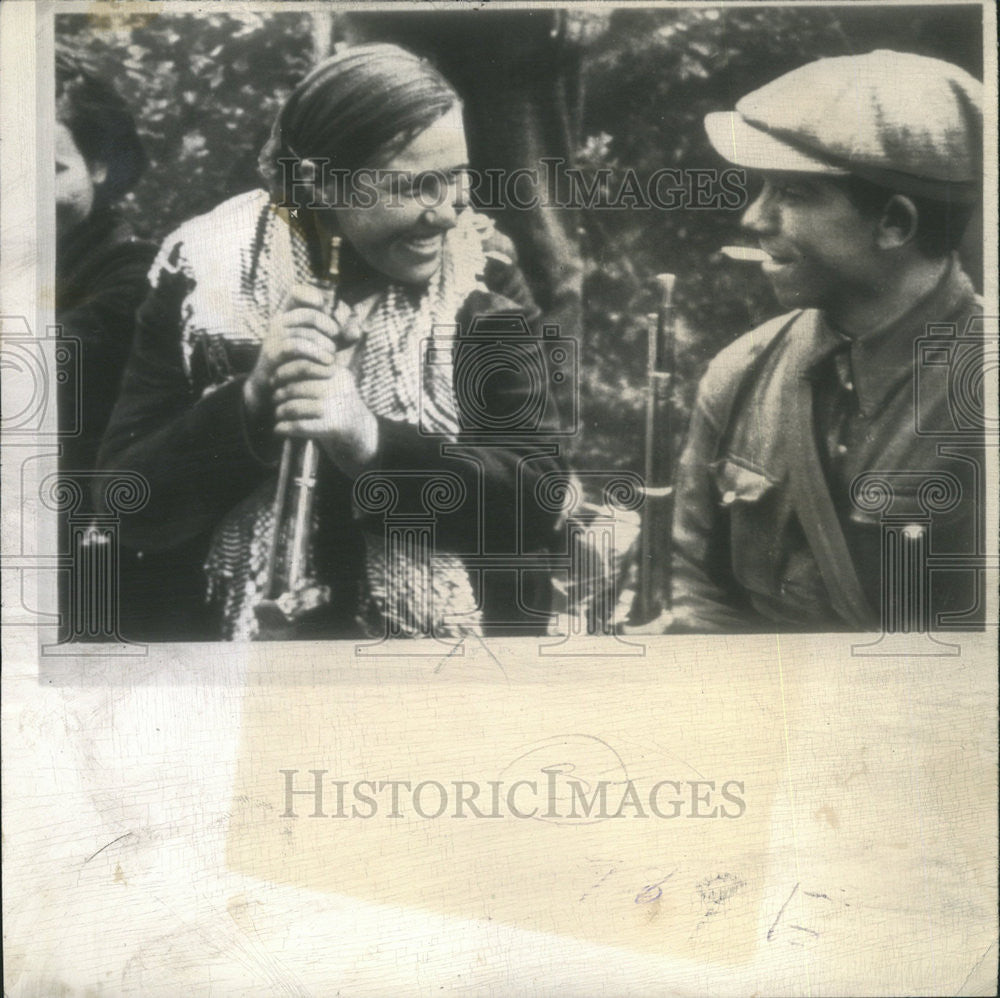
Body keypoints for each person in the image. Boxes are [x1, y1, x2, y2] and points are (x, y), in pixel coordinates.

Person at [99, 44, 569, 641]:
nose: (450, 213)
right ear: (320, 184)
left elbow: (536, 500)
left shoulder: (482, 277)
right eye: (414, 186)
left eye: (458, 176)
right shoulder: (204, 274)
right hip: (236, 669)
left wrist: (373, 445)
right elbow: (123, 505)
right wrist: (250, 402)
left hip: (442, 674)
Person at [669, 50, 985, 633]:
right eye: (762, 188)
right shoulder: (742, 373)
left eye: (792, 193)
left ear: (895, 222)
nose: (754, 218)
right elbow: (700, 599)